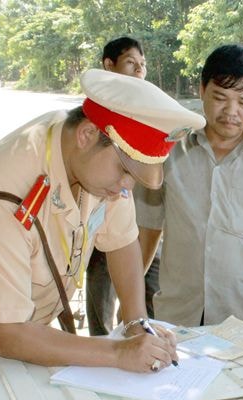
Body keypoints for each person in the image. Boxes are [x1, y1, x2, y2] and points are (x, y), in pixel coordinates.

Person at [0, 68, 206, 372]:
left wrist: (136, 322)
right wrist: (118, 353)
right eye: (125, 171)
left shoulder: (90, 159)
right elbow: (6, 334)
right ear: (87, 134)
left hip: (33, 336)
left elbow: (122, 240)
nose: (127, 187)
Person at [135, 44, 243, 327]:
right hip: (179, 315)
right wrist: (130, 303)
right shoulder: (168, 151)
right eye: (220, 97)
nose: (231, 111)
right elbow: (147, 229)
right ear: (202, 90)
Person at [85, 36, 161, 336]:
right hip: (104, 231)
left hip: (147, 233)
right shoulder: (93, 116)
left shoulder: (156, 114)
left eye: (142, 65)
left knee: (145, 311)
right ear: (108, 65)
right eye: (131, 63)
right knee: (101, 310)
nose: (139, 70)